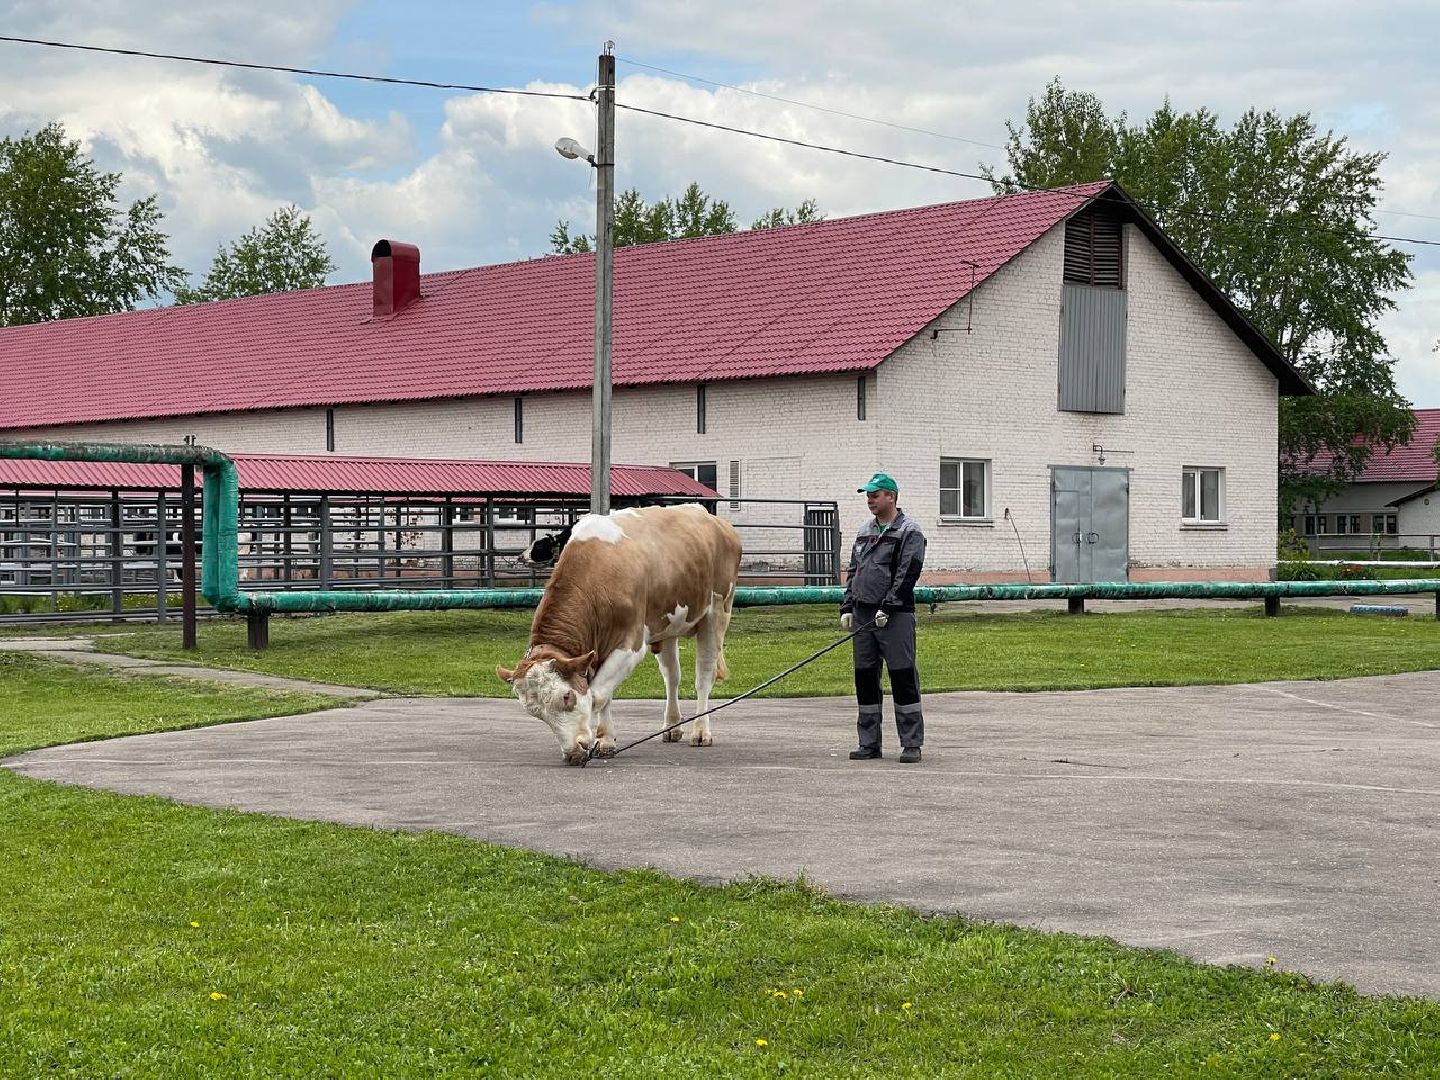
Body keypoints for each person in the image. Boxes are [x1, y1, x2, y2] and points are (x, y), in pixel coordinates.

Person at [839, 472, 927, 763]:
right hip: (864, 614)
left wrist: (888, 607)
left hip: (895, 615)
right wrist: (847, 606)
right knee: (864, 677)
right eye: (868, 496)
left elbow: (907, 573)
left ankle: (911, 743)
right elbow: (854, 571)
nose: (870, 501)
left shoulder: (908, 531)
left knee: (902, 676)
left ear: (891, 496)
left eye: (875, 495)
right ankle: (869, 743)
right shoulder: (865, 531)